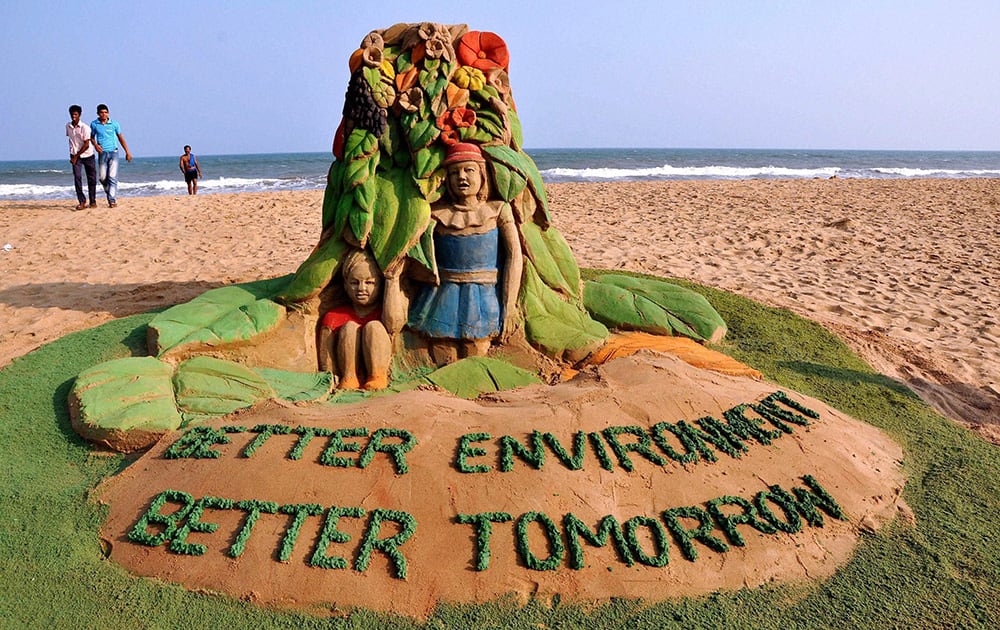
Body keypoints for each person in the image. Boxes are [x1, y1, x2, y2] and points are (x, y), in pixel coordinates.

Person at [406, 142, 523, 365]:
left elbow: (514, 257)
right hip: (442, 297)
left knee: (476, 350)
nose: (462, 177)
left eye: (469, 170)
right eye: (454, 172)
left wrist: (509, 306)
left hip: (484, 296)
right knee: (443, 351)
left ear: (482, 174)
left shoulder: (498, 210)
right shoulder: (435, 213)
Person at [318, 248, 393, 390]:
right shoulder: (334, 317)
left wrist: (392, 281)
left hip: (379, 363)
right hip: (346, 374)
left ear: (380, 284)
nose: (361, 288)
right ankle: (349, 376)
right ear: (345, 285)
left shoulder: (384, 315)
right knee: (349, 328)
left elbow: (395, 324)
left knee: (374, 327)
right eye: (354, 283)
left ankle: (377, 375)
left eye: (369, 283)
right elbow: (326, 357)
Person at [90, 104, 132, 208]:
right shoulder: (94, 124)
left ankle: (112, 200)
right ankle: (109, 192)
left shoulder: (114, 124)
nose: (104, 114)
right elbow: (91, 137)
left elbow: (120, 138)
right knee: (103, 177)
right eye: (101, 112)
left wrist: (127, 152)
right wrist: (95, 145)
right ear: (98, 114)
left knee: (112, 177)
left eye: (105, 112)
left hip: (114, 152)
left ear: (108, 113)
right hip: (102, 153)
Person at [66, 105, 96, 210]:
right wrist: (72, 154)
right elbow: (71, 140)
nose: (73, 116)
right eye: (72, 114)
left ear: (79, 115)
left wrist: (76, 155)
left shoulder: (85, 128)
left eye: (75, 114)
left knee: (91, 178)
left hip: (87, 155)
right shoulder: (68, 126)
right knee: (77, 177)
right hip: (75, 155)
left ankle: (93, 201)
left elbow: (86, 144)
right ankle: (82, 201)